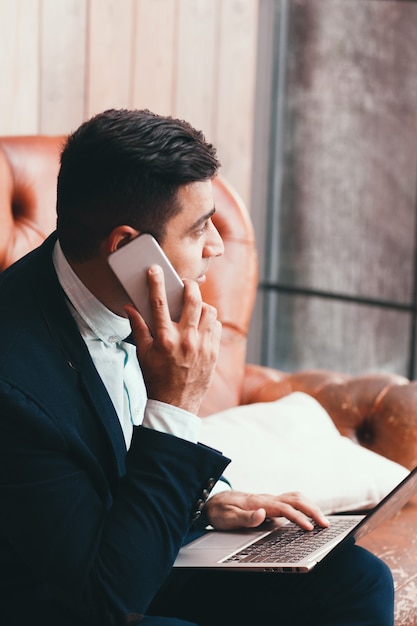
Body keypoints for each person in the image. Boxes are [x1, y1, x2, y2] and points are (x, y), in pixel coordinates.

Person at [0, 108, 394, 626]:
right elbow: (110, 598)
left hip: (140, 549)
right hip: (70, 598)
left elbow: (120, 465)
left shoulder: (138, 298)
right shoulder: (15, 383)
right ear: (124, 248)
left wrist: (210, 503)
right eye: (198, 230)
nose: (218, 247)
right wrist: (175, 401)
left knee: (357, 580)